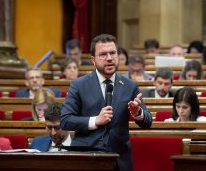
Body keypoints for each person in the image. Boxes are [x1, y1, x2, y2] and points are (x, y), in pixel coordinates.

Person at [60, 34, 152, 171]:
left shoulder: (130, 86)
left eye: (113, 53)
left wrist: (138, 113)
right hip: (86, 158)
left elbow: (148, 121)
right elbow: (65, 120)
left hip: (119, 161)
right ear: (93, 60)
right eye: (103, 54)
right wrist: (95, 121)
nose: (109, 58)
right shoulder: (79, 85)